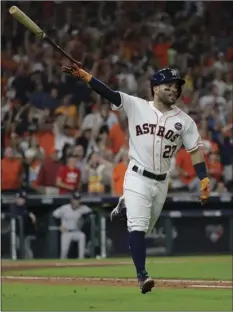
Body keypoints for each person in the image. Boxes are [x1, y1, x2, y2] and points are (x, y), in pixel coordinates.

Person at [61, 64, 210, 294]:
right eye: (169, 86)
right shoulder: (137, 105)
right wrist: (84, 75)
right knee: (138, 227)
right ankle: (142, 276)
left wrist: (204, 178)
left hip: (162, 182)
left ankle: (124, 205)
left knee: (145, 228)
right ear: (155, 87)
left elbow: (195, 151)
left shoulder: (185, 121)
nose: (174, 90)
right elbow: (108, 93)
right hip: (137, 175)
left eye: (177, 87)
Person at [52, 192, 92, 259]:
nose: (76, 201)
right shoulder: (64, 208)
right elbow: (54, 215)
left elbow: (90, 212)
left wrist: (83, 218)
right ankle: (62, 264)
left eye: (78, 200)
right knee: (64, 252)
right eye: (75, 199)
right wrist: (59, 225)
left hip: (76, 231)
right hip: (66, 232)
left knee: (82, 236)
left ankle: (81, 258)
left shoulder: (83, 208)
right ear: (71, 200)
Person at [9, 191, 37, 259]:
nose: (22, 200)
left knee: (26, 248)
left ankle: (30, 263)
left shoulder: (26, 207)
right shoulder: (12, 206)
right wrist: (29, 214)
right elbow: (16, 214)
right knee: (16, 247)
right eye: (20, 198)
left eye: (23, 199)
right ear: (16, 199)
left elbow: (33, 221)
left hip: (25, 233)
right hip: (15, 232)